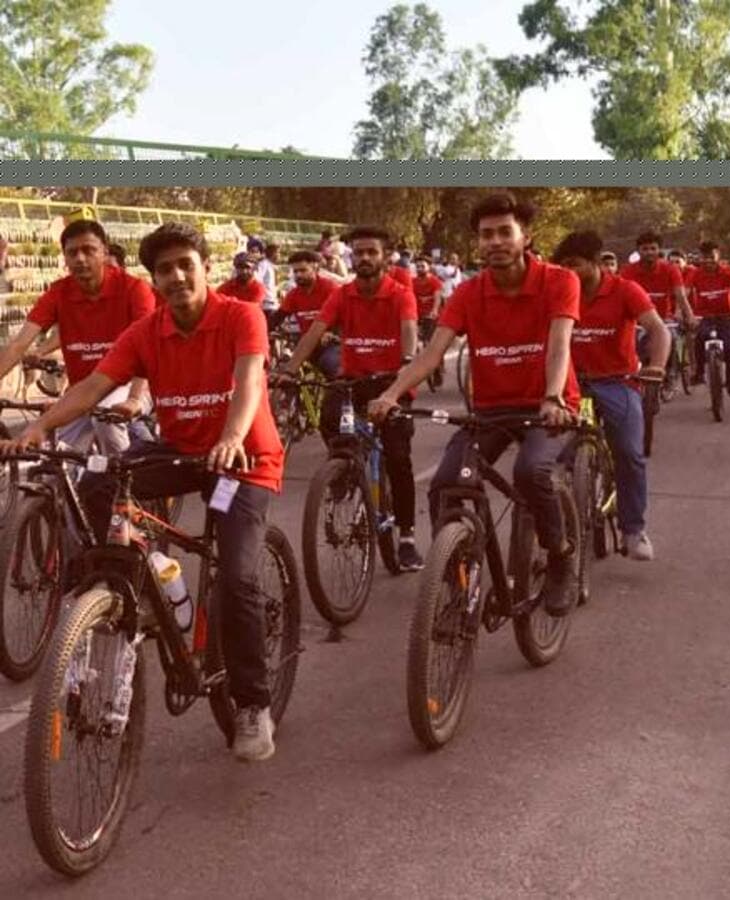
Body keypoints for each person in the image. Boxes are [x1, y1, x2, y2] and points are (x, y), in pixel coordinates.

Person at [2, 221, 285, 761]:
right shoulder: (146, 331)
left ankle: (252, 703)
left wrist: (230, 437)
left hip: (240, 464)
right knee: (101, 478)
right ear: (153, 279)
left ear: (206, 269)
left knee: (237, 579)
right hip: (178, 453)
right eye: (164, 270)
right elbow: (91, 386)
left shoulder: (240, 316)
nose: (176, 276)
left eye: (186, 265)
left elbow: (250, 381)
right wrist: (37, 429)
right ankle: (111, 584)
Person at [369, 194, 584, 616]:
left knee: (531, 471)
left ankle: (560, 558)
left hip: (547, 406)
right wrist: (391, 394)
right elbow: (432, 354)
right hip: (490, 411)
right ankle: (455, 574)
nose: (495, 241)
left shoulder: (559, 281)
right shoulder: (467, 293)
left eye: (506, 232)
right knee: (446, 482)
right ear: (477, 244)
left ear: (526, 237)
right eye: (486, 235)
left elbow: (559, 344)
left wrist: (554, 396)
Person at [279, 225, 424, 572]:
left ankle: (407, 538)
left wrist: (404, 370)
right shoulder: (342, 295)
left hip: (393, 384)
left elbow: (409, 336)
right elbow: (314, 332)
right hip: (352, 381)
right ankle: (344, 469)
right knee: (329, 417)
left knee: (399, 458)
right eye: (358, 253)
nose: (364, 259)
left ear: (385, 257)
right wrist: (289, 368)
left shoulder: (401, 294)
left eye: (371, 252)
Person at [557, 230, 670, 560]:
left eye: (574, 265)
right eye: (562, 266)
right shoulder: (561, 291)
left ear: (595, 263)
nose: (568, 273)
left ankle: (633, 529)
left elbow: (658, 330)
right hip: (571, 385)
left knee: (629, 454)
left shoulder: (625, 290)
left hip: (618, 382)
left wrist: (657, 367)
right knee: (553, 456)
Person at [0, 218, 155, 455]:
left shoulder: (135, 289)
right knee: (59, 459)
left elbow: (147, 350)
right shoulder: (58, 293)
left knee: (107, 419)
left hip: (131, 385)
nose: (80, 259)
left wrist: (134, 398)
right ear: (64, 257)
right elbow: (19, 344)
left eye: (89, 250)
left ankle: (129, 485)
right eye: (72, 252)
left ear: (104, 252)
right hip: (81, 392)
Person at [621, 232, 696, 384]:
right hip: (637, 321)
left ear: (659, 250)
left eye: (653, 248)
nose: (649, 252)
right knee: (628, 344)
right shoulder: (628, 271)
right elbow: (619, 297)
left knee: (672, 338)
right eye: (645, 249)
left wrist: (689, 316)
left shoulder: (670, 269)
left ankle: (670, 373)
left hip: (664, 319)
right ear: (638, 251)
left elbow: (681, 296)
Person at [687, 241, 730, 396]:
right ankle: (700, 373)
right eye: (705, 257)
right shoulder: (695, 273)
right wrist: (685, 314)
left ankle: (729, 378)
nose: (708, 261)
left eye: (712, 257)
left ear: (718, 255)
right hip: (704, 316)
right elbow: (685, 293)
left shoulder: (729, 271)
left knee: (729, 349)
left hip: (725, 316)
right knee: (699, 340)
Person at [277, 250, 341, 378]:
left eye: (303, 270)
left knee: (331, 365)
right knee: (285, 372)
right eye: (295, 272)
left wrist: (333, 332)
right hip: (306, 344)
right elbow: (279, 316)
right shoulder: (294, 294)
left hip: (330, 343)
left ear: (315, 268)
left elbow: (344, 316)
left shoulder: (330, 288)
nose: (298, 275)